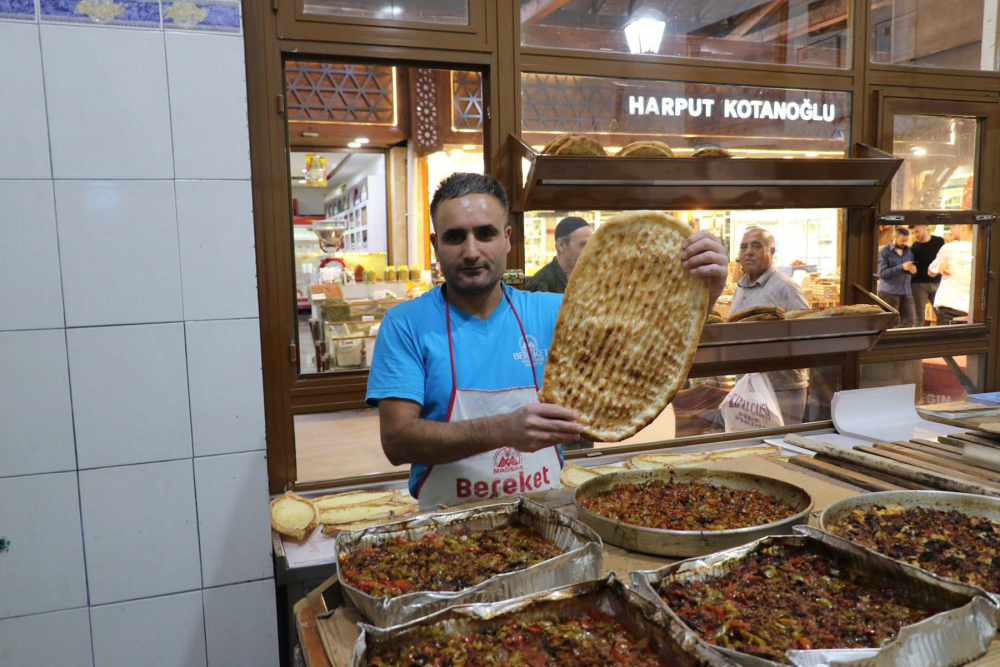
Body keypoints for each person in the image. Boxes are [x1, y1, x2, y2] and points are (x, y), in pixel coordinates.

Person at [366, 173, 729, 509]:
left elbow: (650, 352)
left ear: (508, 238)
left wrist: (703, 291)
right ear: (435, 243)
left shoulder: (555, 312)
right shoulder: (406, 324)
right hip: (448, 526)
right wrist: (502, 430)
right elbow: (398, 441)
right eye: (455, 236)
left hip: (547, 516)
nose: (472, 251)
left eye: (485, 233)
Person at [730, 227, 810, 424]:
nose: (748, 251)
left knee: (782, 448)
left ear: (772, 251)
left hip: (781, 389)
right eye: (744, 247)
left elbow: (808, 335)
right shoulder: (741, 287)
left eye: (756, 246)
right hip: (747, 390)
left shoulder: (786, 288)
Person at [524, 216, 592, 293]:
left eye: (591, 244)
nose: (590, 250)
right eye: (583, 244)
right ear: (561, 245)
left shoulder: (590, 277)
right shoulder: (542, 283)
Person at [929, 224, 974, 325]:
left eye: (954, 226)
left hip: (948, 307)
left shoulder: (949, 248)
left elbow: (931, 272)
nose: (950, 229)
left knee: (946, 340)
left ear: (963, 227)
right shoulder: (982, 249)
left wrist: (940, 264)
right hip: (972, 309)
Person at [876, 227, 916, 328]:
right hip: (889, 292)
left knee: (910, 321)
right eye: (902, 240)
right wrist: (901, 267)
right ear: (894, 237)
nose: (904, 243)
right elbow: (882, 273)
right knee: (889, 323)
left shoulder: (908, 251)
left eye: (906, 240)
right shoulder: (884, 252)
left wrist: (913, 271)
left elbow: (910, 270)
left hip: (906, 292)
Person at [908, 224, 944, 326]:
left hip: (937, 283)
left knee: (941, 314)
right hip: (919, 284)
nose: (915, 235)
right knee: (918, 317)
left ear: (924, 227)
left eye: (917, 231)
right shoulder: (913, 247)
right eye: (913, 233)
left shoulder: (939, 241)